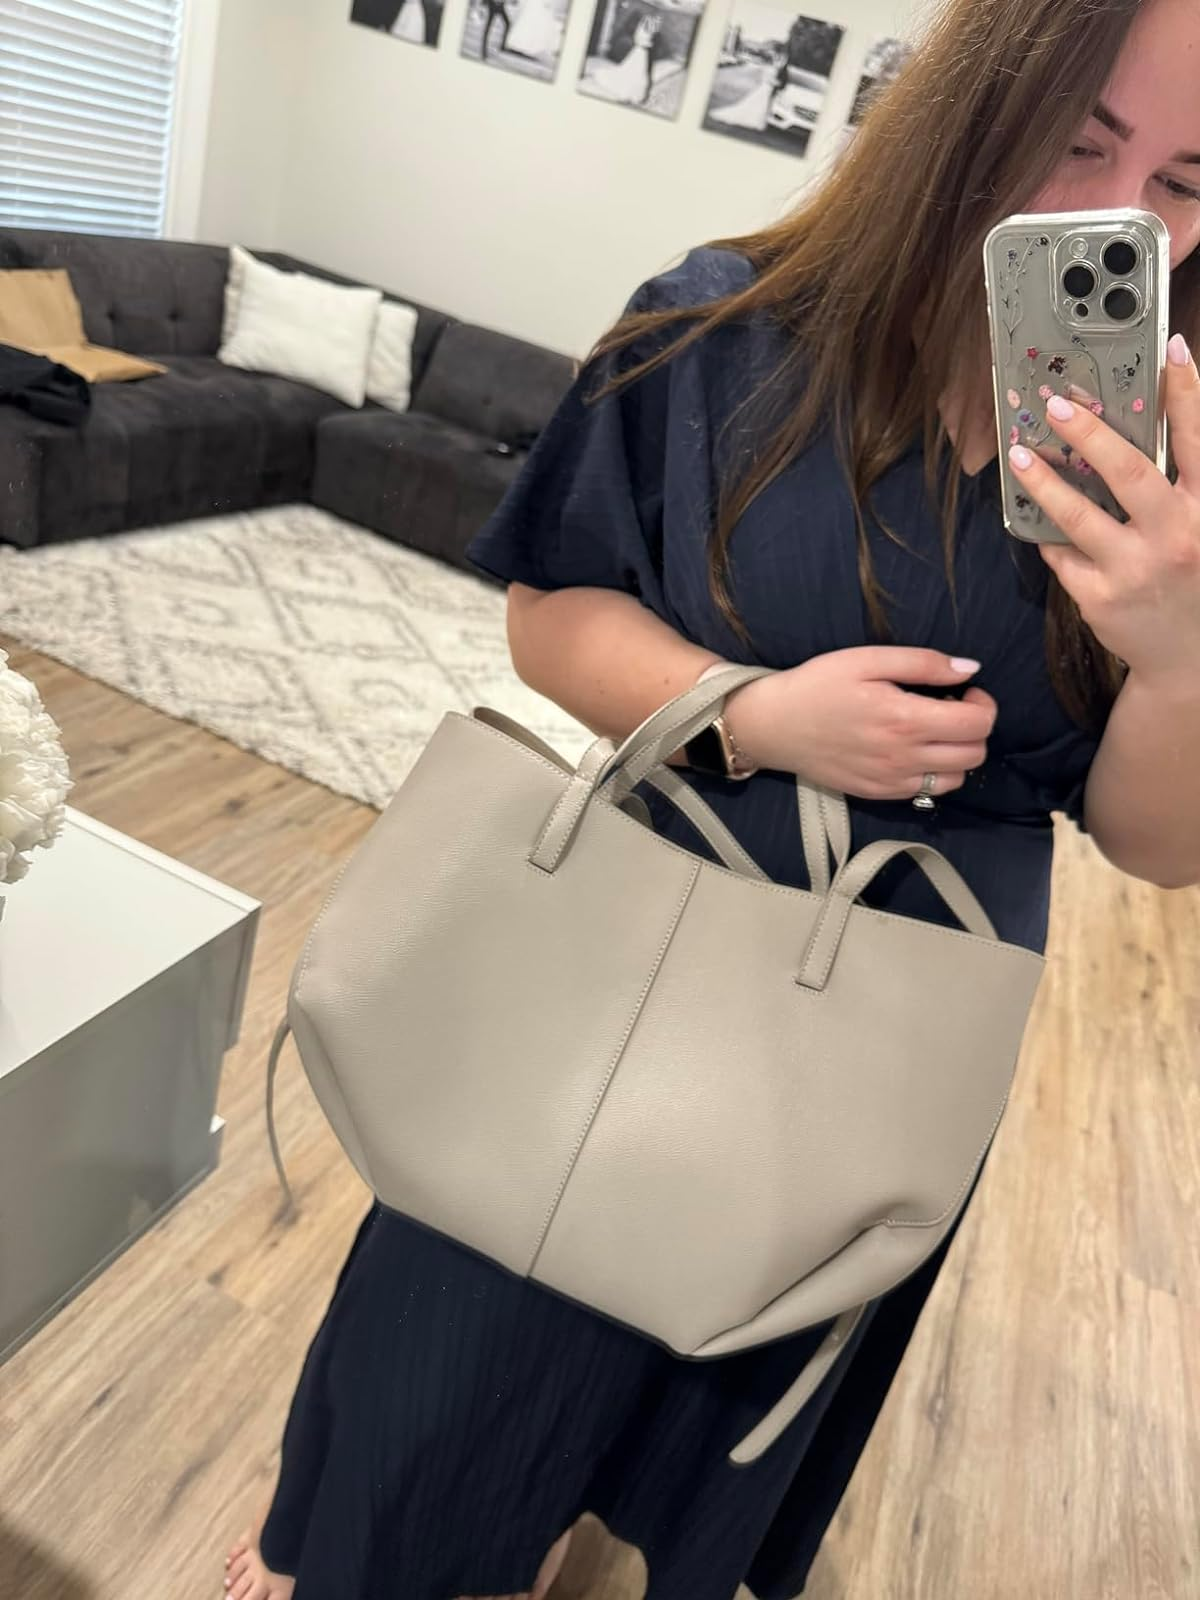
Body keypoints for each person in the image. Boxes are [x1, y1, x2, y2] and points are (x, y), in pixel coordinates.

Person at [223, 0, 1200, 1596]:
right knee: (452, 1364)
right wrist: (757, 715)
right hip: (615, 962)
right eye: (1078, 141)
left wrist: (1182, 654)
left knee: (707, 1387)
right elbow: (549, 613)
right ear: (972, 110)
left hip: (884, 1030)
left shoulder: (1173, 464)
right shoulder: (723, 332)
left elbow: (1157, 848)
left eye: (1183, 183)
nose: (1118, 214)